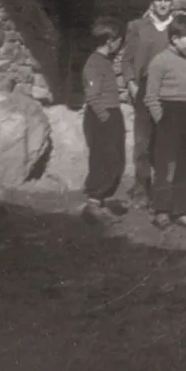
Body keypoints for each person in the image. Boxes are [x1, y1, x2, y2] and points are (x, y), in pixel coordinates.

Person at [143, 13, 186, 230]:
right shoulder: (159, 61)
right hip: (169, 115)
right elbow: (151, 97)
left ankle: (183, 210)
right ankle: (162, 210)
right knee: (165, 165)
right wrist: (162, 121)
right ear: (175, 39)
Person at [123, 0, 175, 208]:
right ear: (151, 1)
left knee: (165, 143)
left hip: (170, 90)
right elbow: (127, 60)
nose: (162, 4)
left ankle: (164, 193)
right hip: (144, 89)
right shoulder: (137, 27)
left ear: (172, 1)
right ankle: (141, 189)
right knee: (142, 143)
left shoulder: (178, 27)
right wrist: (132, 85)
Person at [81, 16, 129, 223]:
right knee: (103, 160)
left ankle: (101, 201)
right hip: (101, 117)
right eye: (119, 41)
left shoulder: (104, 62)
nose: (120, 45)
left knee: (115, 160)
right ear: (110, 41)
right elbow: (92, 97)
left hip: (110, 114)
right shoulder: (94, 64)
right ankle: (93, 205)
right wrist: (106, 118)